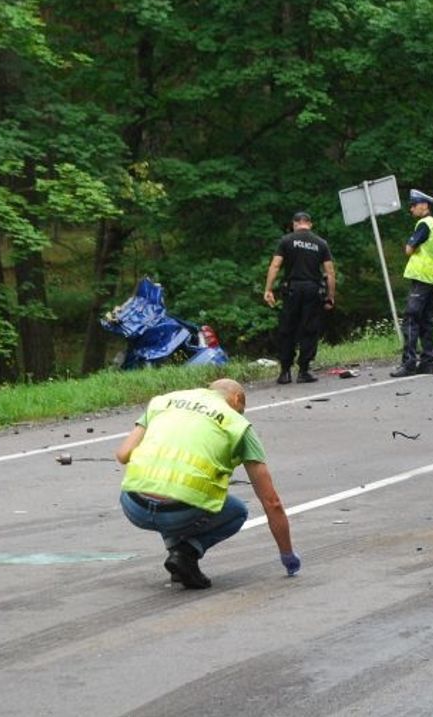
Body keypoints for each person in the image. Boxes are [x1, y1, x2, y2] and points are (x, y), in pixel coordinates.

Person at [116, 378, 300, 589]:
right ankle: (186, 552)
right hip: (179, 512)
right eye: (241, 410)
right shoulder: (237, 424)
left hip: (134, 506)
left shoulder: (164, 402)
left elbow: (123, 454)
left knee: (168, 487)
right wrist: (287, 555)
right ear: (237, 399)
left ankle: (178, 558)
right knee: (236, 511)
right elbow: (271, 502)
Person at [263, 211, 336, 384]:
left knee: (287, 328)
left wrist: (268, 289)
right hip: (313, 290)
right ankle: (304, 371)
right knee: (309, 329)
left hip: (292, 289)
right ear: (310, 224)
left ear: (295, 224)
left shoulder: (286, 240)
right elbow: (330, 272)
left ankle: (285, 372)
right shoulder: (321, 243)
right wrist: (330, 296)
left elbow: (275, 265)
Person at [390, 189, 433, 378]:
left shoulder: (424, 224)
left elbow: (408, 249)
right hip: (431, 276)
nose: (411, 209)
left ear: (424, 205)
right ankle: (428, 363)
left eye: (414, 205)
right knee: (427, 320)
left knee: (411, 318)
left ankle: (409, 363)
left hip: (422, 276)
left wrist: (410, 246)